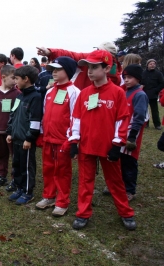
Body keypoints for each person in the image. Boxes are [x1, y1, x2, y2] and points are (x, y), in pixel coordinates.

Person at [68, 50, 136, 230]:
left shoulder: (117, 93)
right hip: (86, 146)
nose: (89, 71)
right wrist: (74, 141)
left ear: (106, 68)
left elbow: (122, 120)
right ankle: (83, 213)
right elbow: (77, 118)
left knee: (115, 182)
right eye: (88, 67)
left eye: (94, 67)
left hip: (108, 148)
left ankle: (126, 212)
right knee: (85, 181)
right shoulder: (84, 93)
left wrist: (116, 144)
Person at [35, 57, 80, 216]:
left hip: (63, 140)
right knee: (48, 168)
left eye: (57, 69)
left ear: (67, 71)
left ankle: (62, 201)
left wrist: (72, 139)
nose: (53, 72)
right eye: (52, 69)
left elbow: (76, 117)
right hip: (48, 138)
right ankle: (49, 195)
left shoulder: (74, 92)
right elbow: (45, 114)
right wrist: (42, 133)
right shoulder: (49, 91)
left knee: (62, 171)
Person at [6, 65, 42, 204]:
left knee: (27, 166)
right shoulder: (20, 96)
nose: (15, 81)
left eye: (17, 79)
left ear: (26, 79)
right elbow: (14, 114)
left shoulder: (35, 97)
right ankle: (20, 187)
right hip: (16, 138)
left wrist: (29, 138)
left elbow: (35, 120)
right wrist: (10, 131)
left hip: (26, 141)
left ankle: (28, 191)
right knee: (17, 164)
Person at [117, 64, 149, 201]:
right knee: (119, 161)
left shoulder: (140, 95)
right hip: (120, 132)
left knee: (129, 162)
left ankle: (129, 190)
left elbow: (140, 116)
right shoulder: (124, 91)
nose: (126, 80)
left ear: (138, 78)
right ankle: (119, 186)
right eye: (125, 77)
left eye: (129, 77)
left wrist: (132, 137)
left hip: (131, 134)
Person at [37, 41, 122, 89]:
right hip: (83, 98)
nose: (90, 70)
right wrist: (50, 52)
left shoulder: (117, 76)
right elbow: (71, 55)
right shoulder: (89, 57)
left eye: (95, 67)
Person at [0, 65, 21, 188]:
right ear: (3, 77)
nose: (15, 81)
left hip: (12, 132)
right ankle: (2, 175)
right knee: (1, 155)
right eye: (13, 78)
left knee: (15, 156)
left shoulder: (17, 93)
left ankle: (15, 178)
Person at [142, 59, 164, 130]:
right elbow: (140, 82)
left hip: (153, 94)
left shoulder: (158, 74)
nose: (152, 65)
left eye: (154, 64)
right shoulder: (143, 73)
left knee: (155, 110)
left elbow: (162, 83)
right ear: (147, 65)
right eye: (151, 64)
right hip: (144, 94)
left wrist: (156, 90)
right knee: (144, 110)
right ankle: (145, 123)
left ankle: (157, 124)